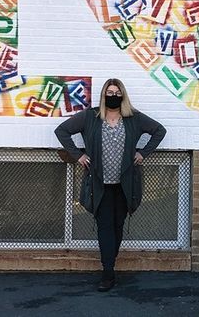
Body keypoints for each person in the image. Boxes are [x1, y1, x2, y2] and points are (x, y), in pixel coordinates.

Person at [55, 78, 166, 292]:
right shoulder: (91, 117)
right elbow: (62, 131)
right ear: (103, 94)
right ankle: (108, 273)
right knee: (105, 227)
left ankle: (109, 262)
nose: (113, 96)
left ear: (122, 95)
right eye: (109, 92)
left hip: (125, 184)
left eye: (116, 92)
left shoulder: (133, 119)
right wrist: (78, 155)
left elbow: (159, 131)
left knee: (117, 226)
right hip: (100, 184)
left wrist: (143, 153)